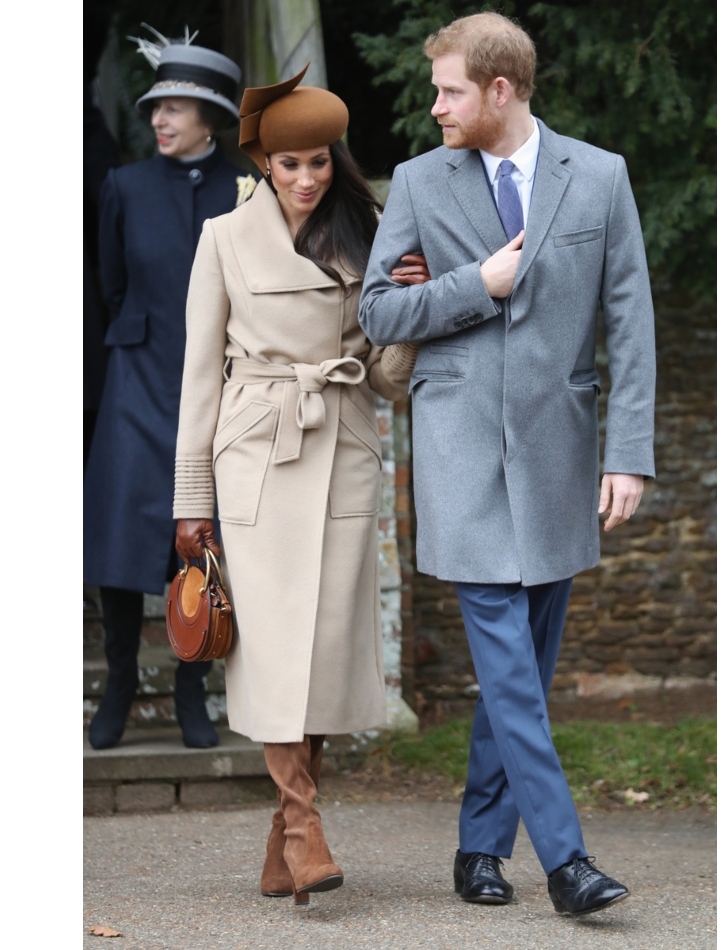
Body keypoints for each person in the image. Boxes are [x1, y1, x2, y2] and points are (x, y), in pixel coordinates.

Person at [359, 12, 656, 917]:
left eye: (449, 90)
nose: (435, 105)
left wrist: (629, 454)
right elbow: (377, 313)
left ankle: (479, 848)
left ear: (499, 90)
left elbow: (629, 321)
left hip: (562, 459)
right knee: (512, 666)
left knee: (515, 670)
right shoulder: (416, 180)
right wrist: (471, 288)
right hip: (460, 458)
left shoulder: (599, 177)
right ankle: (567, 864)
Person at [171, 64, 428, 905]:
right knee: (277, 650)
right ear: (262, 165)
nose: (308, 179)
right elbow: (198, 379)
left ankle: (286, 841)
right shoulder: (222, 239)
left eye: (320, 162)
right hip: (256, 451)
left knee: (320, 650)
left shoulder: (370, 231)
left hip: (345, 441)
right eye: (290, 165)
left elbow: (388, 378)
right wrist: (190, 504)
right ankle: (304, 823)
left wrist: (413, 314)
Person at [83, 31, 256, 750]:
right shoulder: (122, 186)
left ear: (210, 118)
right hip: (136, 384)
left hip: (216, 389)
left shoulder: (248, 188)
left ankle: (193, 691)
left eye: (177, 108)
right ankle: (119, 683)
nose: (160, 119)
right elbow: (110, 286)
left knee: (203, 542)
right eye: (157, 106)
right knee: (121, 543)